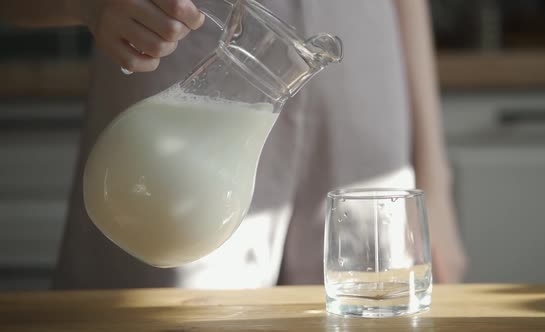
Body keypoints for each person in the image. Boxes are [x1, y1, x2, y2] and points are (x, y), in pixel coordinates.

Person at [1, 0, 467, 288]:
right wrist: (90, 3)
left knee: (367, 306)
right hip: (187, 55)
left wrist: (435, 180)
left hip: (364, 78)